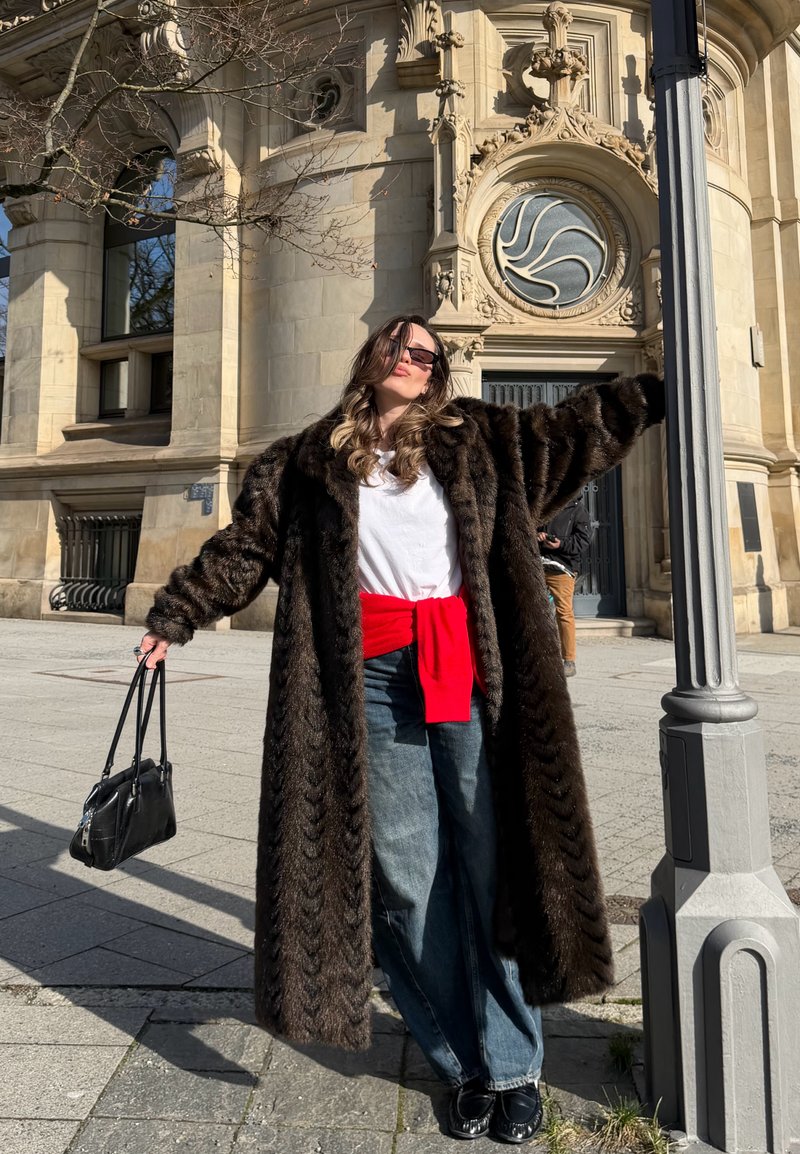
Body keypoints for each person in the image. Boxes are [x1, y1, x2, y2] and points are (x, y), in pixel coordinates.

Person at [137, 315, 663, 1144]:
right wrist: (176, 614)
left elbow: (573, 432)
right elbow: (245, 548)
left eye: (428, 354)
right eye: (401, 346)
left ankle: (515, 1066)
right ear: (371, 355)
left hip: (467, 669)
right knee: (411, 880)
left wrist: (659, 391)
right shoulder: (305, 460)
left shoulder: (481, 438)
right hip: (367, 683)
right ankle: (462, 1059)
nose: (414, 360)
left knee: (489, 869)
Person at [538, 495, 592, 678]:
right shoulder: (543, 503)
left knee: (564, 612)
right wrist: (537, 535)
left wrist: (560, 544)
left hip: (562, 567)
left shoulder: (578, 509)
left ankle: (569, 660)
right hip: (537, 564)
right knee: (532, 610)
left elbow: (583, 540)